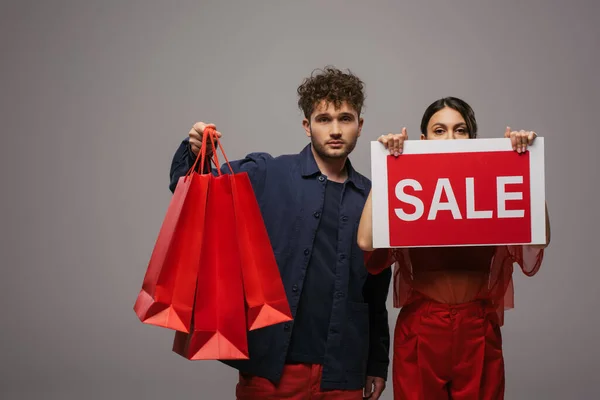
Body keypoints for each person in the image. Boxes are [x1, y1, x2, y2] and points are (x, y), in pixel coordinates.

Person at [169, 67, 392, 400]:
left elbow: (376, 291)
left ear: (360, 125)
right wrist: (196, 151)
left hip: (342, 371)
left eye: (345, 119)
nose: (334, 130)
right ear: (307, 126)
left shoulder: (374, 199)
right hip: (273, 369)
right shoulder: (267, 174)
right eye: (323, 119)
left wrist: (376, 362)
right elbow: (192, 193)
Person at [357, 97, 551, 400]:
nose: (449, 138)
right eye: (439, 130)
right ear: (423, 140)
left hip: (477, 328)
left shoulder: (491, 183)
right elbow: (366, 242)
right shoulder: (409, 187)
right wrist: (385, 166)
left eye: (459, 130)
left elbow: (539, 237)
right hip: (421, 327)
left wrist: (525, 167)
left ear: (471, 139)